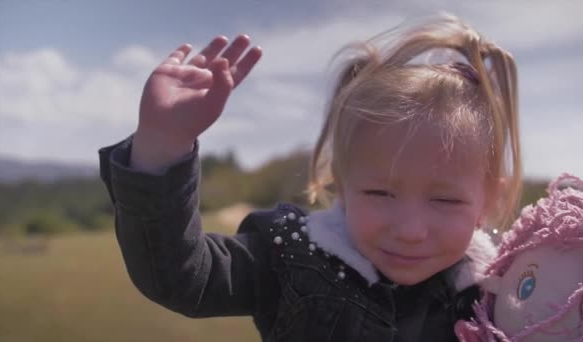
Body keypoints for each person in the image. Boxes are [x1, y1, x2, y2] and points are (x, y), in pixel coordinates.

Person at [99, 14, 522, 341]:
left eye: (445, 200)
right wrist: (161, 147)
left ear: (488, 199)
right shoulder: (291, 255)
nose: (410, 231)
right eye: (379, 192)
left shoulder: (507, 289)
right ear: (340, 182)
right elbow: (178, 277)